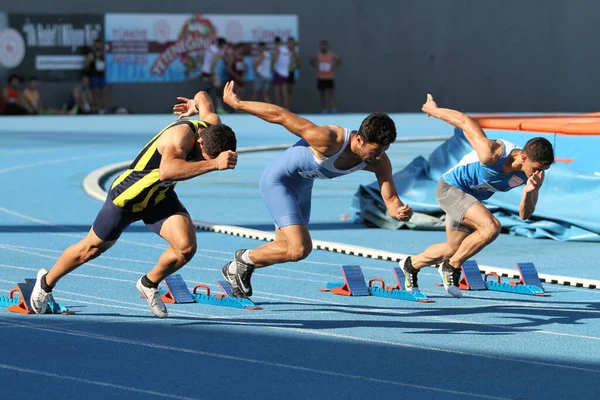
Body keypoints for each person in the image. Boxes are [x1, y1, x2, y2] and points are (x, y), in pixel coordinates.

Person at [29, 91, 238, 318]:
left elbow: (203, 96)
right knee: (89, 250)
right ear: (199, 141)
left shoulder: (212, 125)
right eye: (205, 157)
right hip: (129, 196)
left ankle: (149, 283)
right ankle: (45, 283)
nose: (203, 162)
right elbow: (168, 171)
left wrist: (193, 104)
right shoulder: (180, 137)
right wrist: (214, 165)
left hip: (159, 197)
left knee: (185, 248)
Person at [220, 81, 413, 298]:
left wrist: (399, 212)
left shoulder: (379, 162)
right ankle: (242, 260)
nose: (379, 157)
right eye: (376, 150)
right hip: (278, 182)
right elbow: (281, 116)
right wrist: (238, 104)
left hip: (302, 186)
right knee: (300, 249)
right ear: (359, 139)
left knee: (284, 248)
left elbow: (391, 198)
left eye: (384, 151)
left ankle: (236, 268)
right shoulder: (328, 139)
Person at [398, 94, 554, 298]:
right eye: (536, 168)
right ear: (523, 157)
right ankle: (451, 267)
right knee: (491, 227)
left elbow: (525, 215)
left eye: (543, 170)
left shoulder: (529, 177)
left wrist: (530, 192)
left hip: (468, 201)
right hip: (450, 189)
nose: (538, 174)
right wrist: (434, 111)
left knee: (452, 248)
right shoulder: (492, 153)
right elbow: (465, 121)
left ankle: (411, 265)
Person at [310, 40, 341, 114]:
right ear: (320, 47)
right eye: (322, 46)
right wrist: (317, 66)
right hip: (321, 77)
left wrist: (334, 66)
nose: (323, 48)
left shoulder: (331, 54)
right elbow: (311, 61)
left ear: (327, 47)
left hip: (329, 77)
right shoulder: (318, 55)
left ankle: (333, 108)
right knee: (322, 94)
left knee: (331, 93)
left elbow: (339, 60)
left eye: (325, 46)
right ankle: (324, 109)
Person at [201, 37, 228, 114]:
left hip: (204, 71)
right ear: (222, 44)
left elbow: (202, 55)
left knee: (207, 90)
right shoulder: (217, 52)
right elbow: (213, 63)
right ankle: (219, 108)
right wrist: (212, 73)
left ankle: (203, 107)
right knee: (218, 89)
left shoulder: (210, 48)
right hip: (211, 71)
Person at [84, 39, 109, 113]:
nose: (98, 45)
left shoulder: (103, 54)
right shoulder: (91, 54)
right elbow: (85, 66)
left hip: (102, 76)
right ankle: (97, 109)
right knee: (95, 93)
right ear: (94, 45)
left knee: (105, 92)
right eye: (97, 44)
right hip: (94, 76)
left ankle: (103, 109)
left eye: (99, 44)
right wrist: (89, 61)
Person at [271, 36, 291, 109]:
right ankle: (287, 110)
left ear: (276, 43)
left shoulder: (277, 49)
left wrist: (272, 66)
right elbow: (290, 61)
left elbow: (274, 59)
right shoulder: (286, 49)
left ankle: (278, 110)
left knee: (277, 93)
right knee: (285, 93)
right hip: (285, 74)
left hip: (279, 73)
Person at [286, 37, 301, 111]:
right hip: (284, 72)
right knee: (285, 91)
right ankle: (286, 108)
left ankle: (290, 108)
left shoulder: (295, 52)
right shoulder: (285, 51)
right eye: (288, 42)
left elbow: (299, 65)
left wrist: (297, 60)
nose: (290, 44)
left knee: (290, 91)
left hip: (291, 72)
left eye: (291, 42)